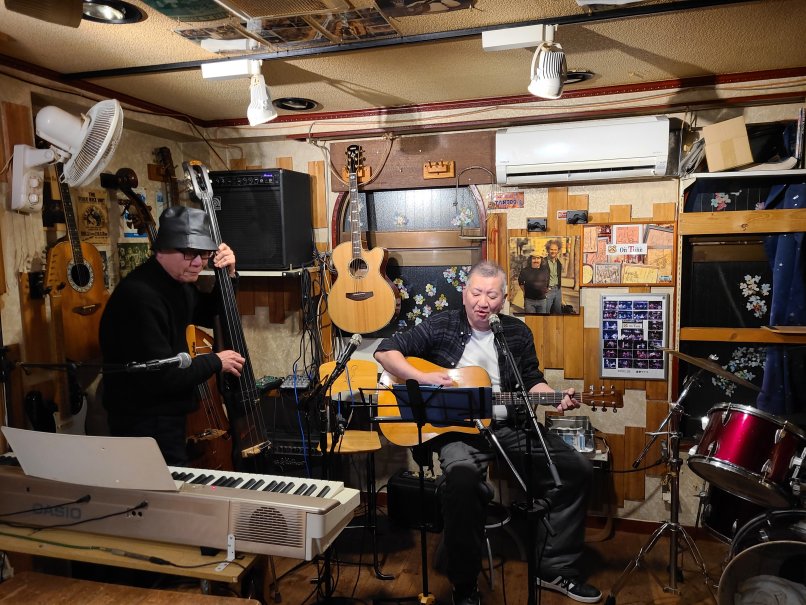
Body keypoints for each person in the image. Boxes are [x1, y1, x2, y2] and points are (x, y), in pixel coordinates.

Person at [374, 261, 600, 605]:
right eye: (477, 293)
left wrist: (554, 397)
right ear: (465, 293)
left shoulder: (517, 332)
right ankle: (464, 585)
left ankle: (553, 568)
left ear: (504, 298)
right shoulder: (442, 324)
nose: (483, 302)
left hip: (511, 426)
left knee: (576, 470)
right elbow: (385, 350)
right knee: (461, 483)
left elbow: (532, 380)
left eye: (492, 295)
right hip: (458, 432)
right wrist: (420, 377)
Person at [99, 205, 245, 466]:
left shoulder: (177, 283)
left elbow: (209, 312)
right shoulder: (140, 296)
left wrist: (230, 275)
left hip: (165, 412)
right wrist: (215, 361)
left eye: (203, 253)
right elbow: (163, 376)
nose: (198, 262)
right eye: (189, 253)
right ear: (162, 249)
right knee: (160, 485)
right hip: (142, 417)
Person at [544, 239, 564, 314]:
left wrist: (562, 297)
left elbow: (559, 279)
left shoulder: (559, 263)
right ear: (548, 250)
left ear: (558, 250)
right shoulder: (543, 262)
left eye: (555, 249)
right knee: (545, 313)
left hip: (558, 290)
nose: (553, 251)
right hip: (547, 291)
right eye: (551, 249)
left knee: (558, 313)